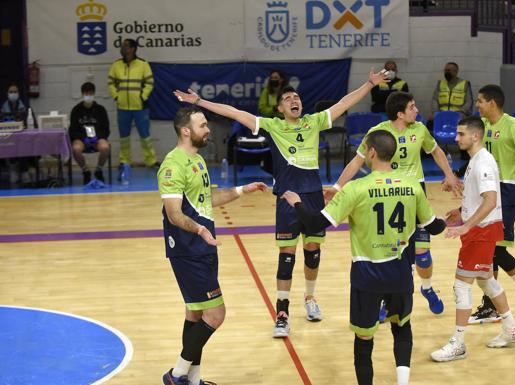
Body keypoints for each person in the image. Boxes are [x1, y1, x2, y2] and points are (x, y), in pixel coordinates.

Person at [173, 68, 390, 338]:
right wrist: (200, 102)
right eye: (287, 99)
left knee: (312, 252)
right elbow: (234, 112)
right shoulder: (273, 126)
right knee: (286, 256)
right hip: (288, 196)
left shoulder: (313, 122)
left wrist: (369, 83)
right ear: (280, 108)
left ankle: (310, 298)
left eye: (296, 97)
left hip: (313, 196)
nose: (293, 100)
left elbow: (344, 103)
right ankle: (282, 311)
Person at [281, 130, 447, 385]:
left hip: (366, 276)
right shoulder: (412, 186)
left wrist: (295, 203)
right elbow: (433, 227)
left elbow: (315, 222)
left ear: (371, 152)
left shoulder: (356, 189)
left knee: (364, 339)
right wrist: (451, 221)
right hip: (400, 272)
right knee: (401, 327)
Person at [324, 91, 462, 315]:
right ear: (400, 113)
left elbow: (435, 150)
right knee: (396, 255)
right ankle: (388, 301)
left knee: (423, 255)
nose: (417, 110)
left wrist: (449, 174)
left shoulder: (419, 129)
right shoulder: (377, 134)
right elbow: (356, 161)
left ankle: (427, 288)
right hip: (387, 193)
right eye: (412, 107)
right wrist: (337, 187)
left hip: (414, 192)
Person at [158, 106, 267, 385]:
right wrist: (200, 230)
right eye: (203, 125)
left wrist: (243, 190)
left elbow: (207, 201)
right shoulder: (173, 164)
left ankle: (193, 380)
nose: (208, 130)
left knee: (195, 312)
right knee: (216, 314)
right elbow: (174, 213)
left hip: (202, 247)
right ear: (186, 130)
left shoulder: (198, 160)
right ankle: (177, 374)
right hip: (188, 248)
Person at [430, 116, 515, 362]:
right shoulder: (476, 159)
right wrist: (461, 213)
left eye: (461, 134)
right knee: (486, 280)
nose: (456, 137)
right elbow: (477, 199)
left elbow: (491, 200)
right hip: (481, 229)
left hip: (481, 231)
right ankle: (511, 329)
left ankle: (458, 343)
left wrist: (466, 226)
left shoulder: (483, 162)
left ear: (475, 136)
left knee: (462, 285)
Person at [467, 84, 515, 324]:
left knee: (496, 249)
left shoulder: (514, 126)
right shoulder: (483, 127)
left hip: (509, 190)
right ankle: (491, 305)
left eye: (480, 100)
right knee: (486, 250)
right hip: (488, 191)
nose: (477, 104)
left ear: (492, 102)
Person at [108, 38, 157, 176]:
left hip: (140, 107)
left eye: (125, 46)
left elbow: (150, 83)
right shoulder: (116, 65)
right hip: (122, 107)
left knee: (145, 135)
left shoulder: (143, 64)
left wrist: (143, 97)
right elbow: (110, 83)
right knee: (124, 137)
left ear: (132, 49)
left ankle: (151, 161)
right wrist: (116, 96)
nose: (122, 48)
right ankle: (125, 161)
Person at [68, 82, 110, 184]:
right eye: (86, 94)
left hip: (97, 138)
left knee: (105, 147)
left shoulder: (101, 110)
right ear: (82, 94)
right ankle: (85, 170)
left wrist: (97, 137)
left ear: (94, 93)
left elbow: (106, 129)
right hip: (82, 139)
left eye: (90, 93)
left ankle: (98, 170)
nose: (88, 96)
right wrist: (83, 138)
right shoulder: (76, 110)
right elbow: (72, 130)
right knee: (76, 149)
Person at [1, 83, 37, 184]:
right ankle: (13, 169)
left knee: (22, 143)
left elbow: (34, 124)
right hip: (7, 138)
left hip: (23, 137)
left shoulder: (25, 107)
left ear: (19, 93)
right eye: (11, 92)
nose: (13, 94)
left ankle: (24, 170)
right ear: (7, 94)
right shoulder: (2, 109)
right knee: (11, 143)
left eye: (15, 92)